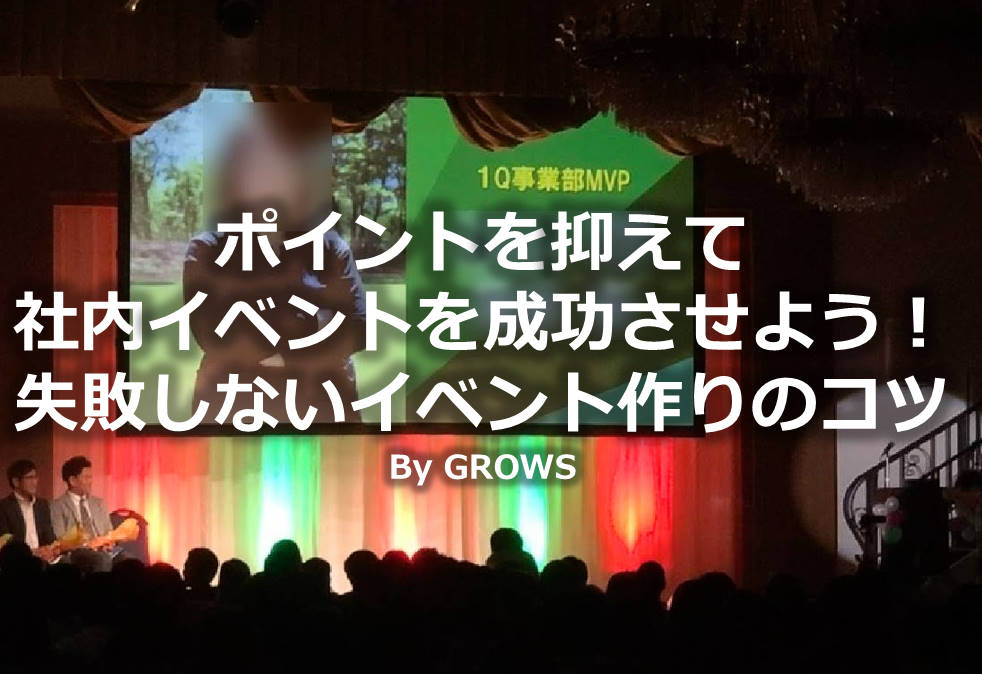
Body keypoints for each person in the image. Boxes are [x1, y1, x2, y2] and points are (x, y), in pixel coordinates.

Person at [184, 109, 366, 425]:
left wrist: (280, 347)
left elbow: (358, 330)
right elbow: (213, 335)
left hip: (326, 405)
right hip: (235, 406)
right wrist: (314, 327)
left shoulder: (331, 246)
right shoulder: (207, 249)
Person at [50, 456, 113, 554]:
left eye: (91, 477)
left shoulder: (99, 503)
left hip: (104, 551)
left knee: (127, 558)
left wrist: (109, 543)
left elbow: (109, 532)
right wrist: (88, 545)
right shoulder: (57, 506)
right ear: (72, 480)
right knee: (101, 560)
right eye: (86, 477)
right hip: (79, 554)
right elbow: (60, 541)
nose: (91, 481)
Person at [0, 459, 58, 561]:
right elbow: (6, 543)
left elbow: (49, 536)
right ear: (16, 482)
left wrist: (51, 549)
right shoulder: (4, 507)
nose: (34, 482)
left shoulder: (42, 504)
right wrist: (32, 552)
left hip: (43, 558)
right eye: (30, 478)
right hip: (19, 559)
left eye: (35, 477)